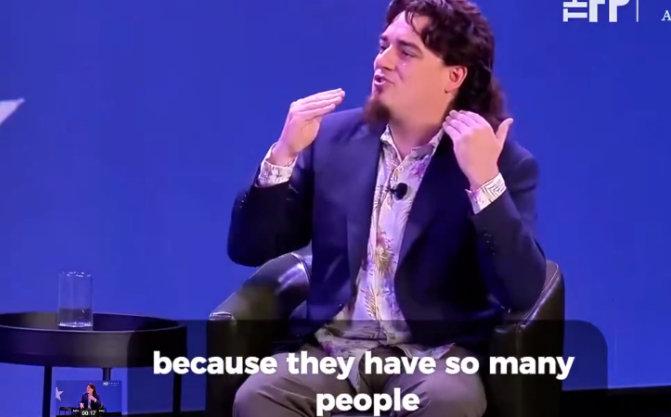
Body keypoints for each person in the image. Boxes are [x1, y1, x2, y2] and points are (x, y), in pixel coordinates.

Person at [227, 0, 546, 416]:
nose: (383, 61)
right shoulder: (332, 139)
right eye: (383, 46)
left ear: (453, 76)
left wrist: (484, 181)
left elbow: (520, 290)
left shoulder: (498, 161)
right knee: (258, 396)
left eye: (406, 51)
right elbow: (250, 248)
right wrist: (283, 155)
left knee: (447, 401)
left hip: (434, 355)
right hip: (332, 351)